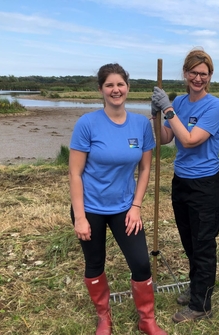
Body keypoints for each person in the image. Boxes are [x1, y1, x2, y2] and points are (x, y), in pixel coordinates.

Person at [69, 63, 167, 335]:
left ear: (128, 87)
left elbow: (145, 168)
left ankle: (146, 319)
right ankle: (104, 316)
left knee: (141, 263)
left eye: (120, 84)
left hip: (125, 208)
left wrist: (136, 207)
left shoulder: (140, 124)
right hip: (90, 208)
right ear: (101, 89)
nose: (116, 90)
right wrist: (80, 217)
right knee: (95, 263)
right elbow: (75, 173)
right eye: (109, 85)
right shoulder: (87, 124)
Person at [151, 48, 219, 323]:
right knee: (189, 242)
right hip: (181, 181)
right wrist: (157, 116)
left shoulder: (214, 106)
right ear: (185, 74)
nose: (198, 78)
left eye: (203, 74)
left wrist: (168, 109)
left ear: (210, 76)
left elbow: (192, 139)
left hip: (205, 185)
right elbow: (166, 139)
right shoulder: (180, 101)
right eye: (193, 73)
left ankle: (201, 305)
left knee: (203, 243)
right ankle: (197, 286)